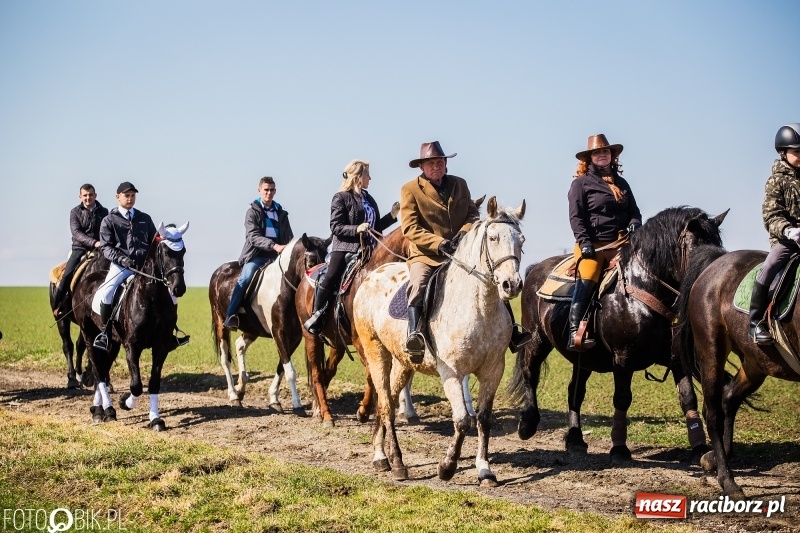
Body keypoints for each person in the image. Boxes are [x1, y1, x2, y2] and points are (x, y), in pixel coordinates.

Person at [400, 141, 531, 363]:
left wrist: (463, 234)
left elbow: (472, 215)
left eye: (440, 162)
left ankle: (512, 332)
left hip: (461, 254)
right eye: (431, 163)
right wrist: (439, 243)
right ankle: (415, 335)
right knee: (418, 284)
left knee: (493, 279)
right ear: (422, 166)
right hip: (427, 254)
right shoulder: (410, 190)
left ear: (445, 164)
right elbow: (410, 228)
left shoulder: (460, 184)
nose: (436, 167)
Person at [304, 159, 400, 335]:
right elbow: (335, 227)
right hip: (345, 247)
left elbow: (375, 227)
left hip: (370, 248)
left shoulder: (368, 198)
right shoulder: (341, 197)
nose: (370, 178)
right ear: (358, 177)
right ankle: (317, 314)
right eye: (367, 175)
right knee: (331, 275)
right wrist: (356, 228)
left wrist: (392, 216)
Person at [567, 134, 642, 351]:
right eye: (597, 152)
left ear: (612, 156)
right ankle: (574, 332)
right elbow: (576, 217)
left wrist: (635, 224)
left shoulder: (622, 183)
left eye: (606, 152)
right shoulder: (580, 184)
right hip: (594, 245)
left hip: (622, 242)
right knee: (588, 276)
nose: (602, 155)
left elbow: (634, 211)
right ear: (589, 158)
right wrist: (584, 242)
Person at [749, 123, 800, 345]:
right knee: (769, 266)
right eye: (797, 152)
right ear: (783, 153)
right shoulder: (776, 181)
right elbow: (771, 216)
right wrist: (789, 230)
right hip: (787, 239)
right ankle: (755, 322)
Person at [93, 182, 157, 350]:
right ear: (118, 197)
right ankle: (105, 333)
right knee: (107, 292)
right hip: (121, 267)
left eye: (132, 195)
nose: (130, 198)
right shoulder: (109, 220)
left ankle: (169, 332)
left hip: (144, 268)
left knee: (168, 292)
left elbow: (154, 242)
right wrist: (122, 260)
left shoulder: (145, 218)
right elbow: (106, 247)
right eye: (126, 195)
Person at [224, 176, 294, 330]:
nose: (269, 193)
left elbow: (289, 236)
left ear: (275, 191)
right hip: (256, 256)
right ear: (259, 191)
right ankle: (231, 315)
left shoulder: (281, 213)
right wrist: (273, 246)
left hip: (277, 257)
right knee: (245, 278)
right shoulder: (252, 212)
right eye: (266, 190)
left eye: (272, 190)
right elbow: (253, 236)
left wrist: (290, 247)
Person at [53, 184, 109, 316]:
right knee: (67, 274)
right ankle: (59, 305)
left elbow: (107, 229)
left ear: (95, 195)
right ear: (80, 197)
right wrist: (93, 242)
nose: (88, 197)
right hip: (80, 248)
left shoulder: (104, 211)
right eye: (85, 195)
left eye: (90, 194)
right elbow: (76, 232)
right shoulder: (75, 212)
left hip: (101, 248)